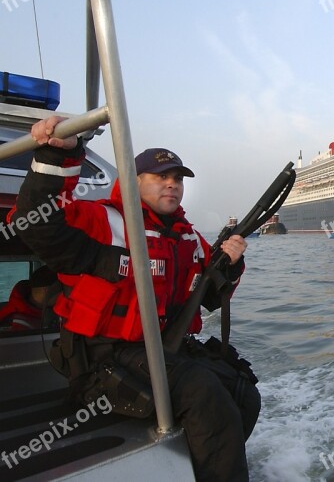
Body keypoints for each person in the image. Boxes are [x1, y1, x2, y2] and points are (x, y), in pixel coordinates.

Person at [13, 116, 260, 481]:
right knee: (204, 392)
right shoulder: (104, 221)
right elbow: (34, 222)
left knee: (243, 390)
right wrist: (56, 154)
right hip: (105, 359)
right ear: (133, 180)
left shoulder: (189, 239)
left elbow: (209, 298)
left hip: (163, 353)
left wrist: (232, 264)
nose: (172, 186)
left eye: (177, 180)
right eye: (161, 177)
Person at [0, 265, 57, 331]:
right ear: (47, 291)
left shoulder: (39, 310)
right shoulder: (18, 324)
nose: (65, 295)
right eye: (61, 289)